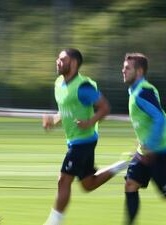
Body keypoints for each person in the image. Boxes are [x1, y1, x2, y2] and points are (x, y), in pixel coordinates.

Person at [42, 48, 129, 225]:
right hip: (77, 140)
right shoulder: (59, 83)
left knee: (63, 180)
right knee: (88, 184)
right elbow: (66, 111)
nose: (57, 61)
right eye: (57, 58)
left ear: (73, 63)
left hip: (83, 142)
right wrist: (54, 121)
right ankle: (122, 165)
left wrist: (90, 122)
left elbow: (105, 107)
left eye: (62, 59)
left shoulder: (83, 87)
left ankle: (53, 223)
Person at [122, 53, 166, 225]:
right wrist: (142, 144)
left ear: (139, 71)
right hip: (145, 151)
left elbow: (159, 118)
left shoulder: (144, 91)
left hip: (160, 152)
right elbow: (146, 121)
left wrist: (151, 147)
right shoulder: (134, 91)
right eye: (123, 67)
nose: (123, 71)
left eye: (127, 68)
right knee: (130, 184)